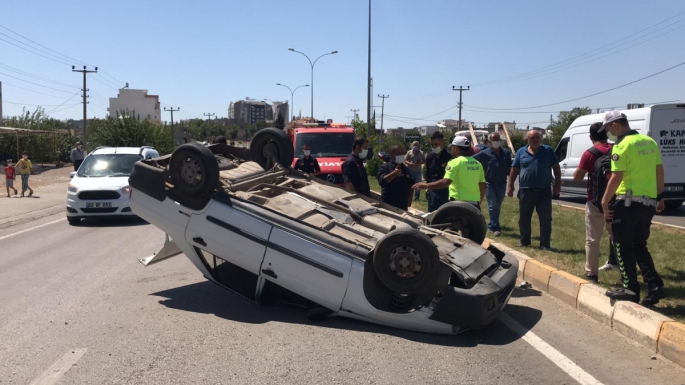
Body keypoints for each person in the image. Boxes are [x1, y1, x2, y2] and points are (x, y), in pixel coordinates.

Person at [600, 111, 666, 305]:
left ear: (614, 126)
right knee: (639, 246)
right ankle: (655, 285)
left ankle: (630, 289)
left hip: (627, 203)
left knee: (621, 245)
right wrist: (660, 196)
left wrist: (604, 202)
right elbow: (659, 171)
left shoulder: (621, 146)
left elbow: (616, 177)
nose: (608, 134)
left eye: (607, 129)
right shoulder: (649, 142)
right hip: (648, 204)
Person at [572, 122, 617, 283]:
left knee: (592, 240)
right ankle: (625, 274)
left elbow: (577, 178)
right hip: (615, 202)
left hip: (595, 201)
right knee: (618, 239)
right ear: (607, 134)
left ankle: (591, 273)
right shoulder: (616, 149)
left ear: (591, 137)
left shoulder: (589, 154)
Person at [507, 130, 560, 250]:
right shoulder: (521, 151)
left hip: (544, 191)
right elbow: (514, 170)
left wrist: (557, 185)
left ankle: (545, 244)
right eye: (532, 138)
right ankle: (525, 241)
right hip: (526, 191)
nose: (535, 140)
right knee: (524, 217)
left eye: (537, 137)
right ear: (527, 140)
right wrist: (510, 186)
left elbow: (556, 167)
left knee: (545, 218)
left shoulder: (548, 150)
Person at [412, 136, 485, 209]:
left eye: (452, 147)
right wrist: (478, 201)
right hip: (474, 204)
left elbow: (445, 182)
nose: (451, 149)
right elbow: (483, 185)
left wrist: (426, 186)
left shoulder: (454, 163)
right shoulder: (478, 164)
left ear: (456, 148)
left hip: (458, 204)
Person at [474, 132, 512, 237]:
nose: (496, 142)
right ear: (490, 142)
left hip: (502, 184)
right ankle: (496, 227)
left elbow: (510, 167)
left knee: (497, 206)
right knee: (492, 205)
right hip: (489, 183)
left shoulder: (506, 153)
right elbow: (473, 159)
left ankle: (491, 225)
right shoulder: (485, 153)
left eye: (497, 139)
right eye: (493, 140)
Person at [378, 145, 414, 210]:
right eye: (398, 154)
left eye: (402, 153)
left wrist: (410, 197)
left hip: (402, 205)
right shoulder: (385, 167)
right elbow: (382, 181)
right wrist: (394, 174)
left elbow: (410, 184)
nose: (401, 155)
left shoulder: (405, 168)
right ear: (391, 155)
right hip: (388, 205)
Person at [424, 131, 452, 212]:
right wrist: (428, 188)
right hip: (432, 189)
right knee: (431, 215)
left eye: (436, 144)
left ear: (442, 143)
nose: (433, 147)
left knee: (444, 215)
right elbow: (428, 173)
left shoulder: (449, 157)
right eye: (432, 145)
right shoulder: (429, 156)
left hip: (445, 190)